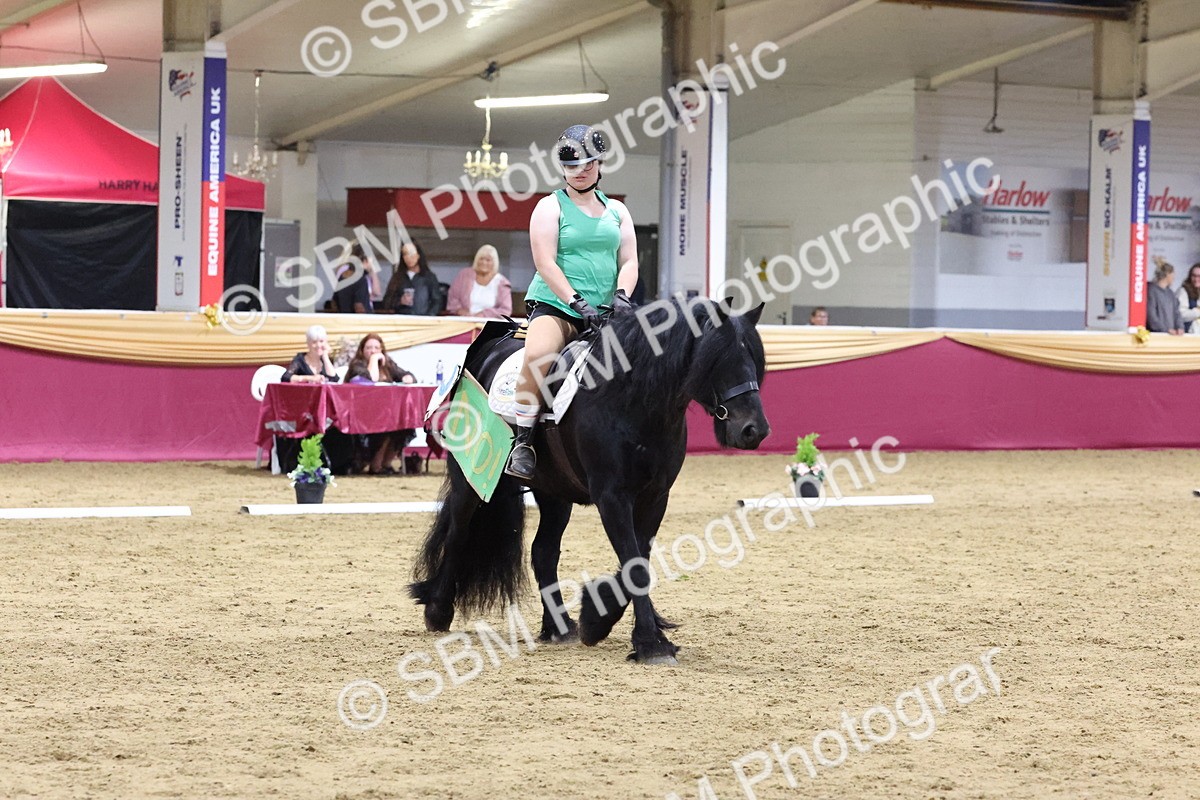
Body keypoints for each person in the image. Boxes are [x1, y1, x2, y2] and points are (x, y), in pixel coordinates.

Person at [504, 124, 639, 480]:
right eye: (574, 165)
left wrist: (622, 296)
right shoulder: (549, 208)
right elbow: (545, 262)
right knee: (538, 356)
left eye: (589, 164)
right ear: (563, 168)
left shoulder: (618, 212)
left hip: (608, 310)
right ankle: (523, 442)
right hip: (558, 306)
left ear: (600, 164)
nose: (582, 171)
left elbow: (629, 261)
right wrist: (577, 302)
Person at [342, 333, 416, 474]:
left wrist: (408, 377)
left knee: (403, 425)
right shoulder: (357, 365)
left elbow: (406, 374)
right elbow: (372, 379)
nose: (373, 351)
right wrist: (374, 360)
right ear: (362, 350)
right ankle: (376, 466)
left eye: (376, 348)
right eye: (369, 348)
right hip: (361, 411)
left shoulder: (387, 364)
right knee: (386, 424)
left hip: (384, 411)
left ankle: (386, 464)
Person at [446, 244, 513, 318]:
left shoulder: (502, 282)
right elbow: (453, 298)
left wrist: (484, 314)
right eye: (481, 259)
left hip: (489, 324)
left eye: (488, 260)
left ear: (494, 262)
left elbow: (506, 310)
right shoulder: (464, 275)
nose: (484, 263)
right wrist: (460, 310)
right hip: (464, 322)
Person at [382, 240, 442, 316]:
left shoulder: (429, 277)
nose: (408, 258)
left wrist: (429, 317)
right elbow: (386, 302)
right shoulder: (398, 277)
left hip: (423, 321)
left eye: (411, 253)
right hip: (403, 321)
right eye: (405, 254)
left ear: (418, 255)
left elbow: (437, 302)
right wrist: (400, 301)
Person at [332, 243, 380, 313]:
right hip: (359, 321)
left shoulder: (343, 277)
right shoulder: (360, 279)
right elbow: (359, 306)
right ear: (365, 260)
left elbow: (334, 302)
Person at [1147, 261, 1185, 335]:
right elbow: (1151, 315)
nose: (1174, 278)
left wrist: (1180, 327)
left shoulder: (1171, 294)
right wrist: (1165, 329)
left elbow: (1177, 313)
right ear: (1168, 274)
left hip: (1170, 335)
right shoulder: (1151, 291)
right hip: (1156, 335)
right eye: (1173, 274)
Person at [1176, 263, 1200, 334]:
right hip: (1189, 334)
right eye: (1193, 276)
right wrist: (1197, 312)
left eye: (1199, 276)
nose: (1196, 279)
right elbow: (1181, 314)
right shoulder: (1183, 291)